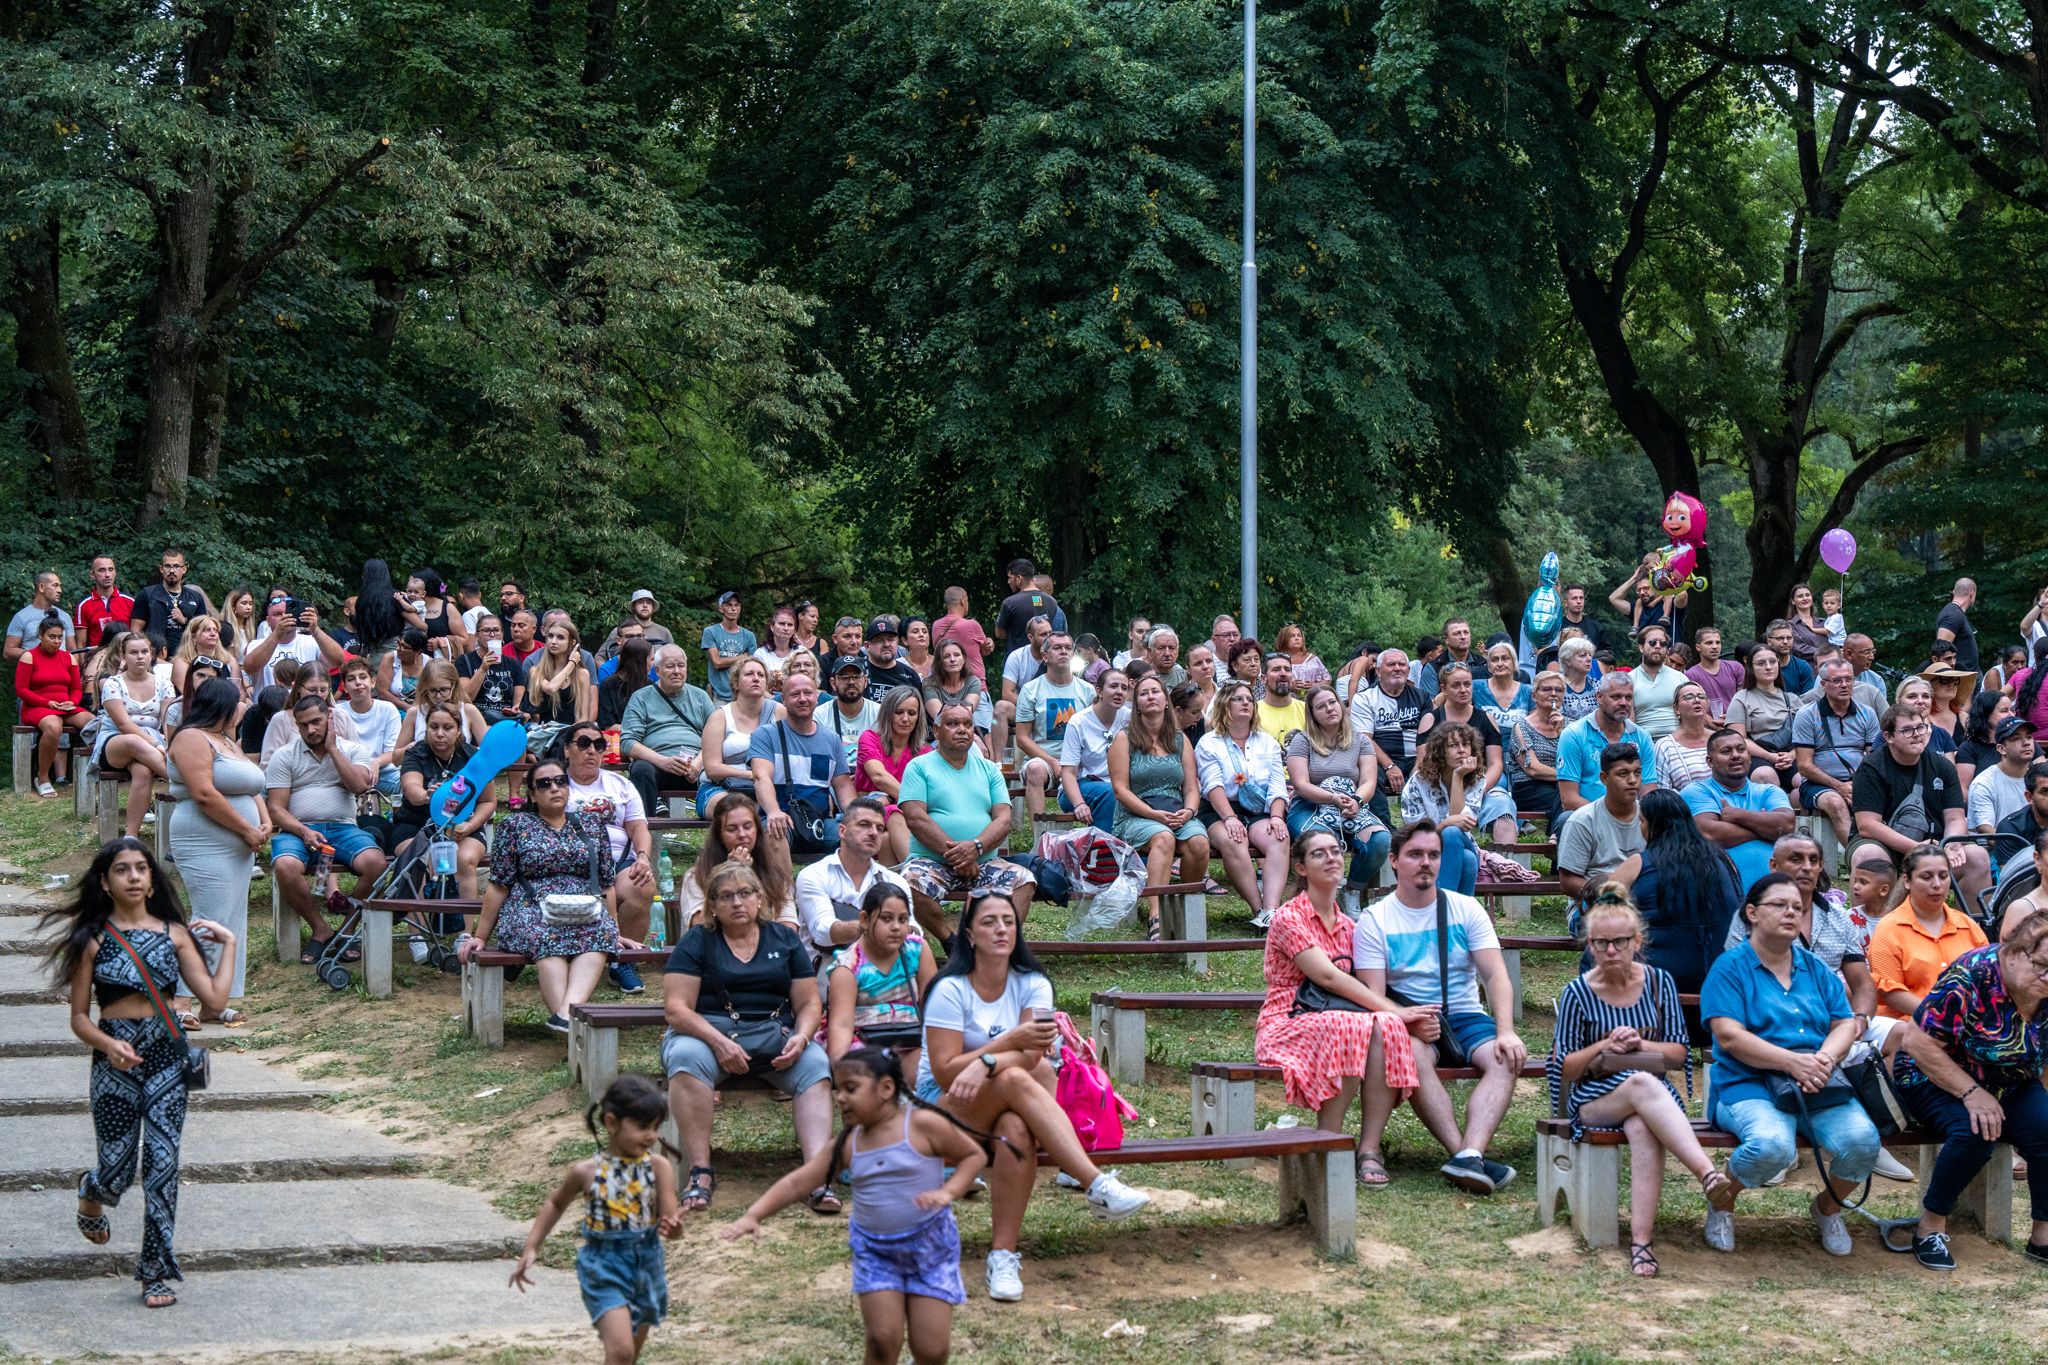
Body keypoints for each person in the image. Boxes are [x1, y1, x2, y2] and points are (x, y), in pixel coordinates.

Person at [917, 888, 1149, 1302]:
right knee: (1016, 1078)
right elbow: (946, 1072)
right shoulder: (949, 989)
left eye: (1008, 921)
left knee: (1016, 1126)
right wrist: (1006, 1044)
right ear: (969, 934)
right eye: (989, 922)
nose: (1001, 929)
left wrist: (987, 1062)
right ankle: (1094, 1182)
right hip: (947, 1111)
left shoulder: (1033, 982)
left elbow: (1030, 1056)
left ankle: (1003, 1257)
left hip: (1012, 1103)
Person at [45, 838, 238, 1308]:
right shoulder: (92, 940)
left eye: (141, 868)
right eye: (122, 870)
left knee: (162, 1163)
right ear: (105, 882)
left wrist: (229, 943)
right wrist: (108, 1045)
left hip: (166, 1057)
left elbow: (214, 1001)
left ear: (152, 880)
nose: (133, 876)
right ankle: (93, 1189)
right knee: (116, 1169)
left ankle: (155, 1271)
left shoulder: (175, 934)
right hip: (114, 1060)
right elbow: (79, 1018)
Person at [723, 1047, 985, 1364]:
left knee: (931, 1350)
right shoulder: (848, 1144)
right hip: (876, 1252)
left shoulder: (923, 1124)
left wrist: (949, 1191)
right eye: (837, 1089)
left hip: (931, 1247)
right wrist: (754, 1214)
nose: (840, 1098)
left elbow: (974, 1155)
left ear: (886, 1088)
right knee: (882, 1340)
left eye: (850, 1088)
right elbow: (797, 1183)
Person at [1548, 890, 1735, 1275]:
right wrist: (1603, 1045)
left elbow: (1679, 1054)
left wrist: (1640, 1043)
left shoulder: (1658, 982)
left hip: (1651, 1100)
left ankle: (1641, 1243)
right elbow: (1564, 1067)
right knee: (1641, 1085)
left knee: (1640, 1126)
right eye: (1601, 943)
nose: (1610, 951)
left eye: (1619, 942)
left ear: (1637, 941)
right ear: (1589, 944)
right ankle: (1706, 1173)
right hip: (1594, 1099)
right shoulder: (1577, 992)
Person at [1698, 872, 1882, 1254]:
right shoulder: (1729, 968)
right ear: (1752, 913)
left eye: (1797, 907)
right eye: (1779, 905)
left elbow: (1844, 1023)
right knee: (1772, 1147)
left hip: (1817, 1081)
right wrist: (1792, 1063)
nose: (1791, 913)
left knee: (1863, 1142)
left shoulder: (1814, 968)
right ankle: (1722, 1202)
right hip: (1746, 1083)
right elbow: (1729, 1036)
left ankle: (1828, 1208)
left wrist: (1824, 1059)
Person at [1354, 822, 1529, 1194]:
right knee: (1410, 1053)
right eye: (1415, 854)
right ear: (1394, 860)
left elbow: (1496, 974)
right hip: (1410, 1018)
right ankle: (1462, 1154)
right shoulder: (1375, 919)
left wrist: (1506, 1030)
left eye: (1434, 855)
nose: (1426, 862)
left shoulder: (1465, 908)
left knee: (1506, 1057)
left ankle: (1470, 1154)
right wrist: (1409, 1021)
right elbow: (1374, 998)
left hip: (1465, 1014)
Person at [662, 861, 835, 1214]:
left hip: (774, 1034)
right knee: (685, 1057)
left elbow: (808, 1003)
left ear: (760, 898)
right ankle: (700, 1171)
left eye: (745, 893)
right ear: (712, 904)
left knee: (816, 1064)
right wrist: (719, 1043)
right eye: (726, 896)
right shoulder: (697, 941)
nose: (737, 902)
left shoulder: (784, 939)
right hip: (708, 1034)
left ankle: (816, 1176)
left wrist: (802, 1038)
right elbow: (677, 1010)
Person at [1256, 829, 1424, 1187]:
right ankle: (1328, 1139)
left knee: (1385, 1027)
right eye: (1319, 854)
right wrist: (1394, 1009)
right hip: (1289, 1018)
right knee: (1355, 1024)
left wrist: (1397, 1015)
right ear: (1300, 868)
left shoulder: (1350, 925)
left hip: (1337, 1016)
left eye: (1335, 851)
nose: (1331, 858)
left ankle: (1369, 1149)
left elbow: (1368, 983)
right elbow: (1327, 977)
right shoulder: (1289, 917)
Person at [1888, 909, 2048, 1271]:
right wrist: (1971, 1093)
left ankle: (2043, 1237)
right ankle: (1930, 1227)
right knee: (1974, 1131)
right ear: (2013, 953)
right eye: (2041, 965)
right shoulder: (1973, 975)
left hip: (2010, 1078)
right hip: (1934, 1072)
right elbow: (1916, 1041)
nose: (2047, 977)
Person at [511, 1075, 680, 1365]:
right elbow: (555, 1203)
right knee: (621, 1351)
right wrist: (531, 1247)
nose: (651, 1136)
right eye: (642, 1127)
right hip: (604, 1267)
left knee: (629, 1357)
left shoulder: (659, 1167)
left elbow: (671, 1222)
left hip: (647, 1265)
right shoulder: (586, 1172)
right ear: (611, 1123)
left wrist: (674, 1227)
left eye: (655, 1127)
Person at [455, 757, 622, 1031]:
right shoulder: (515, 826)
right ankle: (572, 1023)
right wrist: (481, 936)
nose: (554, 788)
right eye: (544, 784)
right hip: (531, 906)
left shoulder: (591, 824)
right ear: (532, 794)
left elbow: (606, 883)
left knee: (602, 934)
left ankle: (565, 1015)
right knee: (546, 937)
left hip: (583, 906)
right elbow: (499, 885)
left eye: (560, 781)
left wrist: (615, 929)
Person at [162, 677, 265, 1017]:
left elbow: (251, 787)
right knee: (210, 917)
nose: (242, 708)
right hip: (203, 838)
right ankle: (181, 1000)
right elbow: (204, 793)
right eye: (238, 702)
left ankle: (214, 1001)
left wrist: (264, 822)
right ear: (223, 705)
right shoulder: (191, 737)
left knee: (231, 919)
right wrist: (247, 828)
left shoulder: (227, 741)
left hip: (238, 842)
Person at [898, 702, 1033, 942]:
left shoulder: (989, 770)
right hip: (933, 861)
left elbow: (1003, 819)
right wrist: (960, 856)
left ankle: (999, 945)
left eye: (968, 724)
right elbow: (915, 818)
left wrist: (976, 848)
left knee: (1024, 880)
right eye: (952, 724)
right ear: (936, 731)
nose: (962, 729)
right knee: (910, 881)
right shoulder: (919, 767)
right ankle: (951, 941)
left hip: (983, 861)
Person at [1853, 704, 1990, 909]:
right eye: (1908, 730)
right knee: (1868, 855)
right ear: (1888, 737)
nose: (1917, 734)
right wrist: (1918, 848)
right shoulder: (1871, 766)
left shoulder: (1943, 766)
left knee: (1977, 857)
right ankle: (1868, 928)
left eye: (1921, 727)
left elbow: (1955, 818)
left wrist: (1951, 845)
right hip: (1883, 843)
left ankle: (1969, 927)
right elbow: (1868, 826)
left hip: (1935, 843)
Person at [1106, 675, 1212, 940]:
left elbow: (1191, 787)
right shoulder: (1124, 738)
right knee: (1163, 838)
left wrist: (1189, 812)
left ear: (1166, 701)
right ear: (1137, 704)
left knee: (1199, 843)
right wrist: (1153, 815)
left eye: (1155, 691)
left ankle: (1185, 906)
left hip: (1176, 812)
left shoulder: (1179, 740)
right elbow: (1120, 790)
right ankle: (1156, 916)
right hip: (1136, 814)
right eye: (1143, 693)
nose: (1150, 696)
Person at [557, 720, 661, 988]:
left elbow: (638, 827)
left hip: (618, 860)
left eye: (599, 744)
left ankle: (622, 962)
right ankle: (571, 955)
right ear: (567, 749)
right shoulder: (554, 784)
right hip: (570, 865)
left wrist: (642, 857)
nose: (592, 750)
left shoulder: (620, 784)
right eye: (583, 743)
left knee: (641, 883)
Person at [1606, 789, 1742, 991]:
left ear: (1653, 825)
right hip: (1723, 969)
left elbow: (1602, 909)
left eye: (1641, 821)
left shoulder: (1639, 863)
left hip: (1659, 975)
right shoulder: (1723, 859)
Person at [1198, 681, 1293, 928]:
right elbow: (1212, 785)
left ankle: (1272, 910)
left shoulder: (1267, 742)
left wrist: (1276, 817)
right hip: (1220, 809)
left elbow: (1277, 785)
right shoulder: (1209, 742)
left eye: (1249, 700)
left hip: (1259, 808)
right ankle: (1258, 909)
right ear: (1224, 705)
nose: (1246, 703)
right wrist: (1230, 818)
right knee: (1233, 839)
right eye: (1238, 699)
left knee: (1279, 837)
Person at [1280, 683, 1389, 891]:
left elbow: (1368, 781)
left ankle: (1352, 890)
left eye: (1332, 702)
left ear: (1340, 705)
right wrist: (1332, 798)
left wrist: (1356, 801)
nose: (1329, 708)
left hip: (1351, 805)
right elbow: (1300, 785)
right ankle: (1325, 890)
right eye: (1321, 706)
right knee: (1323, 840)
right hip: (1309, 806)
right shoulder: (1302, 741)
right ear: (1312, 714)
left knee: (1380, 840)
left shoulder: (1361, 741)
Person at [1868, 844, 1989, 1020]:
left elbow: (1986, 979)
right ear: (1907, 881)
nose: (1937, 884)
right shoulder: (1889, 928)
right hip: (1909, 1023)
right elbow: (1890, 992)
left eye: (1943, 876)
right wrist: (1941, 1015)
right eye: (1926, 877)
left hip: (1966, 1022)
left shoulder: (1967, 926)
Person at [391, 702, 494, 898]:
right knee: (419, 861)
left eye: (447, 728)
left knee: (464, 860)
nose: (439, 734)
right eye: (433, 727)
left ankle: (462, 918)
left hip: (463, 825)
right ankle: (420, 918)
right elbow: (412, 789)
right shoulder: (415, 753)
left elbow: (488, 801)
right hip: (417, 823)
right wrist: (426, 796)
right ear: (426, 729)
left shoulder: (474, 757)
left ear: (458, 730)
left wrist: (470, 826)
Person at [824, 885, 937, 1064]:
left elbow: (933, 1007)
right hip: (864, 1044)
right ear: (865, 920)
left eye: (903, 919)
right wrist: (842, 1066)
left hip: (911, 1039)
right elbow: (842, 1025)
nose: (896, 927)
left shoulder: (917, 949)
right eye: (886, 918)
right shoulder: (848, 967)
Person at [753, 670, 857, 860]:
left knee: (858, 836)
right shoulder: (765, 735)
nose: (802, 699)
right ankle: (782, 882)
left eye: (808, 693)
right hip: (781, 818)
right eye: (795, 694)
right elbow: (761, 777)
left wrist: (857, 818)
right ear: (783, 700)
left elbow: (843, 787)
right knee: (774, 833)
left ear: (817, 697)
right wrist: (773, 811)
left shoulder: (831, 739)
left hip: (820, 822)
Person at [1403, 723, 1516, 897]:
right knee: (1467, 859)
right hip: (1424, 850)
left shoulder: (1477, 779)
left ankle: (1438, 907)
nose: (1462, 750)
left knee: (1452, 834)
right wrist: (1444, 824)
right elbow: (1416, 836)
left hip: (1459, 840)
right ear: (1440, 750)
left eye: (1466, 744)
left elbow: (1461, 825)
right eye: (1453, 745)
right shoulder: (1418, 782)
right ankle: (1456, 913)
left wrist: (1458, 777)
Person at [795, 796, 913, 958]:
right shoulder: (814, 875)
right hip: (828, 968)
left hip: (882, 968)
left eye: (879, 828)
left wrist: (904, 929)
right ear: (842, 831)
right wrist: (873, 925)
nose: (873, 833)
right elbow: (822, 932)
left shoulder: (895, 881)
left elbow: (914, 931)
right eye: (864, 825)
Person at [1684, 728, 1795, 894]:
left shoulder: (1769, 791)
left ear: (1749, 755)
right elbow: (1710, 834)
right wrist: (1767, 830)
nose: (1735, 755)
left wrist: (1737, 815)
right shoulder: (1696, 791)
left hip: (1775, 897)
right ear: (1710, 761)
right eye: (1726, 751)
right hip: (1719, 896)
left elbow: (1787, 825)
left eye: (1741, 749)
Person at [91, 631, 175, 837]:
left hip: (153, 742)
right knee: (132, 741)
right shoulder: (113, 683)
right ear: (123, 655)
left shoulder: (163, 682)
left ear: (151, 654)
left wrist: (168, 743)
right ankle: (183, 783)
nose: (140, 657)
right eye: (133, 652)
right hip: (116, 740)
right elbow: (124, 724)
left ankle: (130, 836)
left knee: (143, 772)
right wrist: (157, 746)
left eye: (144, 652)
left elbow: (167, 720)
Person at [1792, 657, 1881, 846]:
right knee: (1836, 803)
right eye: (1837, 680)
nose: (1844, 685)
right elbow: (1804, 766)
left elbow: (1875, 758)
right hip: (1818, 785)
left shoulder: (1867, 713)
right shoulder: (1807, 714)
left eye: (1848, 679)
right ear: (1823, 685)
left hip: (1859, 780)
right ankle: (1858, 855)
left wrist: (1858, 783)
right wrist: (1839, 786)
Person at [675, 796, 798, 932]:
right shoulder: (696, 876)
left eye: (748, 827)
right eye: (732, 829)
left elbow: (789, 925)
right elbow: (701, 927)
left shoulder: (774, 873)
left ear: (757, 830)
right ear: (719, 835)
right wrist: (729, 875)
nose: (742, 834)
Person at [620, 644, 714, 817]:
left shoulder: (700, 697)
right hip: (657, 765)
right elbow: (627, 742)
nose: (676, 671)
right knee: (641, 769)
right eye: (670, 666)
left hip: (696, 767)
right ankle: (642, 828)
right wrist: (662, 761)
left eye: (681, 666)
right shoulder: (641, 698)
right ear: (657, 670)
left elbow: (716, 738)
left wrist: (699, 762)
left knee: (720, 770)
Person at [1013, 631, 1093, 822]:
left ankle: (1097, 834)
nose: (1063, 651)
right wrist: (1053, 762)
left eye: (1068, 648)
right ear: (1045, 656)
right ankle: (1040, 835)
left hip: (1080, 761)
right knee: (1035, 770)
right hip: (1044, 760)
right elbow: (1022, 738)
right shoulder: (1031, 689)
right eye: (1057, 648)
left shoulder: (1088, 690)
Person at [1349, 647, 1432, 823]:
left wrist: (1420, 765)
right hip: (1381, 759)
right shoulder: (1364, 698)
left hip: (1416, 757)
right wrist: (1389, 766)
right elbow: (1364, 738)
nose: (1397, 668)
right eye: (1391, 664)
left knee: (1439, 767)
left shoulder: (1422, 697)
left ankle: (1431, 825)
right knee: (1368, 772)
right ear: (1379, 671)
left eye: (1402, 664)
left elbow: (1428, 737)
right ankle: (1384, 827)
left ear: (1408, 670)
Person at [1557, 744, 1646, 906]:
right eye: (1623, 774)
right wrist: (1613, 896)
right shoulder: (1583, 820)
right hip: (1594, 902)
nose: (1633, 780)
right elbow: (1568, 882)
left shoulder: (1650, 817)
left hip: (1643, 900)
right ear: (1604, 778)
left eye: (1637, 773)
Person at [1556, 673, 1658, 810]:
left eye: (1628, 698)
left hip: (1631, 816)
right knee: (1565, 818)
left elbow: (1648, 791)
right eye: (1616, 697)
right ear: (1599, 697)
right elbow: (1569, 799)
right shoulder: (1574, 734)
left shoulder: (1642, 737)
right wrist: (1609, 817)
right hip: (1586, 816)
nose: (1623, 703)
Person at [695, 656, 781, 818]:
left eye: (761, 675)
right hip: (720, 788)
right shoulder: (720, 717)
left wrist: (763, 780)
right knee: (738, 810)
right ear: (736, 683)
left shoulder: (779, 712)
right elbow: (712, 769)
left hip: (768, 787)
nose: (756, 678)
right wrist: (753, 775)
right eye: (749, 674)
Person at [857, 685, 932, 861]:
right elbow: (879, 777)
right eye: (899, 712)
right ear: (888, 713)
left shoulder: (925, 752)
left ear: (918, 717)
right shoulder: (870, 738)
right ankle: (917, 870)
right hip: (869, 812)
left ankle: (898, 878)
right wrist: (907, 801)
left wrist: (891, 798)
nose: (905, 719)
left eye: (911, 713)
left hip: (907, 819)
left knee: (886, 839)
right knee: (892, 812)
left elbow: (927, 794)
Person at [16, 611, 85, 795]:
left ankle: (90, 775)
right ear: (40, 635)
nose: (56, 641)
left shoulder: (68, 657)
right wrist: (47, 703)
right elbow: (21, 690)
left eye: (60, 637)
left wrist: (72, 702)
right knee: (54, 726)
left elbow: (76, 689)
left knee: (94, 722)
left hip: (65, 706)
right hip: (37, 706)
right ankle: (43, 776)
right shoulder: (29, 656)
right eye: (52, 637)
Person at [1430, 663, 1509, 811]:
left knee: (1501, 788)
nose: (1463, 690)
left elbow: (1495, 764)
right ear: (1444, 689)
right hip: (1443, 779)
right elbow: (1424, 761)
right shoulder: (1430, 719)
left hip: (1479, 778)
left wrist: (1477, 791)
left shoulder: (1487, 719)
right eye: (1456, 685)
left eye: (1467, 684)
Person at [1058, 666, 1126, 834]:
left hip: (1119, 785)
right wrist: (1079, 803)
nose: (1119, 692)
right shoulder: (1078, 722)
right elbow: (1068, 773)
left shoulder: (1130, 718)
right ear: (1099, 691)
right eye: (1113, 686)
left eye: (1124, 688)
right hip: (1079, 787)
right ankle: (1104, 847)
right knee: (1111, 794)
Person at [1725, 641, 1798, 787]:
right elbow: (1737, 739)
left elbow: (1809, 735)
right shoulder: (1741, 698)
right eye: (1761, 663)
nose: (1768, 667)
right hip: (1757, 755)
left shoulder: (1792, 699)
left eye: (1772, 662)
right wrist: (1770, 756)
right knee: (1765, 776)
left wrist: (1791, 755)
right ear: (1750, 668)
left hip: (1790, 755)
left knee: (1802, 780)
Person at [242, 596, 348, 694]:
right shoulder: (256, 644)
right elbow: (250, 668)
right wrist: (277, 634)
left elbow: (338, 661)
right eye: (277, 614)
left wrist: (315, 630)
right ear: (268, 621)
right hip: (268, 705)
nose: (284, 617)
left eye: (288, 613)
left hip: (305, 706)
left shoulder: (312, 642)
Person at [259, 665, 360, 766]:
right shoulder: (281, 719)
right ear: (298, 688)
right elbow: (268, 764)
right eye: (312, 690)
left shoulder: (340, 716)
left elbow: (357, 757)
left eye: (323, 690)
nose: (319, 695)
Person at [336, 656, 403, 798]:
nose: (358, 682)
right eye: (351, 679)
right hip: (352, 772)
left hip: (384, 771)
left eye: (363, 677)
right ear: (344, 687)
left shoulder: (387, 709)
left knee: (407, 783)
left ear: (372, 682)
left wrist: (376, 762)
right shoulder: (338, 712)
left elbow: (392, 751)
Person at [1507, 670, 1567, 827]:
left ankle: (1555, 836)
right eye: (1547, 689)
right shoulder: (1522, 727)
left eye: (1558, 690)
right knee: (1566, 797)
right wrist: (1569, 776)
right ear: (1534, 696)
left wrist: (1562, 732)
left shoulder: (1571, 726)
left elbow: (1578, 759)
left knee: (1570, 793)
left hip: (1561, 784)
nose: (1553, 694)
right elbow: (1533, 768)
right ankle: (1557, 836)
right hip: (1530, 786)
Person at [991, 614, 1051, 759]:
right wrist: (1032, 705)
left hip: (1053, 707)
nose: (1049, 638)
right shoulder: (1017, 657)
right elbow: (1007, 693)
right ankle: (999, 763)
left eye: (1050, 632)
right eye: (1043, 634)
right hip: (1025, 707)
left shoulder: (1059, 655)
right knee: (1000, 707)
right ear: (1031, 637)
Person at [131, 549, 210, 656]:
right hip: (155, 654)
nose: (172, 570)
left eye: (176, 566)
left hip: (187, 655)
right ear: (161, 569)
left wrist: (185, 621)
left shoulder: (195, 597)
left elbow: (203, 631)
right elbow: (136, 631)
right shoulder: (147, 595)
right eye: (167, 566)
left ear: (184, 569)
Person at [1969, 716, 2037, 833]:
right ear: (2001, 748)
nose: (2026, 743)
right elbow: (1986, 830)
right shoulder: (1984, 783)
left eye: (2029, 737)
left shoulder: (2041, 779)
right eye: (2016, 738)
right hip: (2000, 844)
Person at [459, 617, 525, 725]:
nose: (492, 634)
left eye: (496, 630)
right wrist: (482, 669)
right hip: (476, 719)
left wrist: (515, 709)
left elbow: (518, 703)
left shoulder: (513, 664)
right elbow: (465, 697)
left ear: (502, 634)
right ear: (477, 636)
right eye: (486, 630)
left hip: (505, 720)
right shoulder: (464, 661)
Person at [1652, 680, 1716, 791]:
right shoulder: (1665, 746)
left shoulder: (1719, 739)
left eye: (1701, 697)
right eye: (1689, 697)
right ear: (1677, 709)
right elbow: (1663, 793)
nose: (1697, 700)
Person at [698, 590, 757, 701]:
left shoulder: (749, 636)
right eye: (729, 605)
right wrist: (743, 657)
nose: (733, 608)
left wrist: (745, 659)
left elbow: (751, 665)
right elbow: (717, 662)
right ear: (721, 608)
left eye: (736, 605)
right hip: (718, 695)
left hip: (743, 694)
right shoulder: (710, 632)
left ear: (740, 608)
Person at [168, 614, 245, 697]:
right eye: (207, 630)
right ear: (193, 637)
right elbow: (187, 694)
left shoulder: (229, 660)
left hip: (228, 704)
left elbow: (240, 693)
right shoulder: (182, 661)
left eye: (215, 630)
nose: (213, 634)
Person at [826, 657, 883, 768]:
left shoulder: (880, 713)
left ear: (865, 680)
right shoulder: (819, 715)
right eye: (844, 677)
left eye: (856, 677)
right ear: (833, 683)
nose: (851, 682)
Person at [1954, 688, 2014, 792]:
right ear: (1986, 715)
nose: (2012, 715)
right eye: (2004, 711)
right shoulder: (1968, 748)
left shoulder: (2023, 741)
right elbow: (1963, 789)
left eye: (2012, 710)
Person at [992, 559, 1054, 659]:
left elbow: (999, 633)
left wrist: (1015, 633)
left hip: (1018, 659)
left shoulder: (1010, 603)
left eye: (1010, 578)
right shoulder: (1051, 601)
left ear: (1019, 578)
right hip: (1044, 659)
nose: (1008, 582)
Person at [930, 586, 993, 682]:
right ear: (963, 601)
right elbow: (986, 651)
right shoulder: (971, 625)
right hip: (973, 683)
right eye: (967, 600)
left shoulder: (936, 625)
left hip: (946, 684)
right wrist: (990, 642)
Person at [73, 556, 135, 653]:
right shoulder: (84, 605)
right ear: (92, 575)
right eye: (102, 570)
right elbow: (81, 645)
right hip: (96, 658)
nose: (107, 575)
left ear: (115, 573)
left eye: (110, 570)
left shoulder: (130, 602)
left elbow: (136, 637)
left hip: (125, 657)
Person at [859, 616, 923, 700]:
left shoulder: (910, 675)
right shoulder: (857, 669)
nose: (886, 644)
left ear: (897, 641)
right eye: (879, 640)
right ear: (867, 646)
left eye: (890, 639)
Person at [1687, 626, 1745, 718]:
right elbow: (1691, 706)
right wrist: (1711, 723)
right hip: (1705, 724)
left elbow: (1744, 699)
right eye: (1709, 643)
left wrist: (1733, 719)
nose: (1715, 647)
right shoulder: (1691, 675)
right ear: (1698, 647)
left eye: (1718, 642)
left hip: (1736, 720)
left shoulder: (1736, 667)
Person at [597, 636, 653, 730]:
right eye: (652, 659)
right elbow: (607, 725)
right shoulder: (608, 685)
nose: (653, 664)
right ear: (640, 661)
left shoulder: (650, 686)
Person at [1255, 652, 1305, 745]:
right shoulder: (1253, 712)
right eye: (1276, 670)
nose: (1283, 673)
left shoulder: (1306, 710)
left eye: (1287, 670)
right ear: (1263, 679)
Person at [1934, 576, 1980, 674]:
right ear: (1972, 594)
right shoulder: (1953, 615)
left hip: (1968, 675)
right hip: (1961, 677)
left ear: (1954, 591)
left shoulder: (1956, 613)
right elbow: (1942, 651)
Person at [1763, 619, 1817, 696]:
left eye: (1789, 638)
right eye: (1780, 638)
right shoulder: (1762, 668)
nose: (1785, 642)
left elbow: (1808, 698)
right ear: (1769, 641)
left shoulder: (1803, 667)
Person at [752, 605, 803, 685]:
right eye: (782, 624)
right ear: (772, 627)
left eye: (790, 625)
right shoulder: (761, 654)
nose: (786, 628)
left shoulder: (801, 652)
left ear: (794, 629)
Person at [1557, 635, 1601, 722]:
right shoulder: (1556, 687)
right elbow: (1556, 719)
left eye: (1590, 655)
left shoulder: (1598, 686)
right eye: (1582, 655)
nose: (1589, 659)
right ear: (1567, 660)